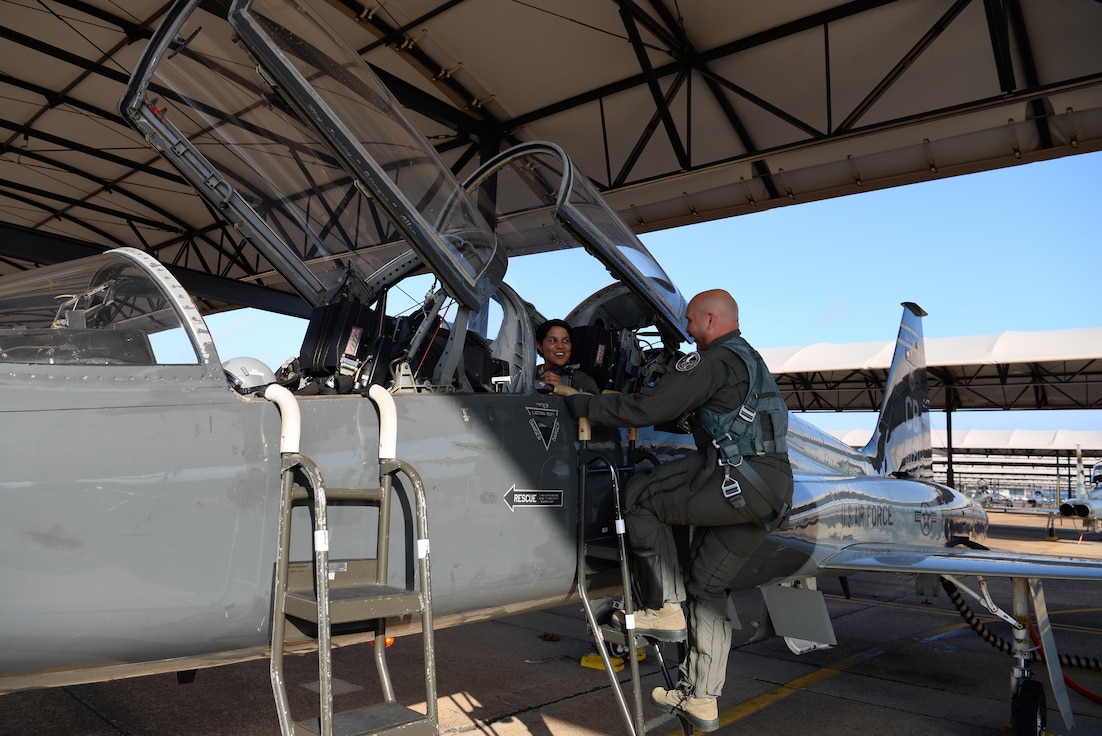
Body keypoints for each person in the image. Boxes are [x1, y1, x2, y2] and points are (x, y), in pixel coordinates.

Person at [564, 289, 793, 732]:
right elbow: (690, 415)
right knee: (707, 589)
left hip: (736, 480)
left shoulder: (713, 361)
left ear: (710, 319)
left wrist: (587, 403)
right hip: (771, 490)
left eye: (690, 321)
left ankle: (663, 605)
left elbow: (652, 407)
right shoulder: (750, 362)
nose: (686, 331)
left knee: (640, 496)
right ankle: (702, 697)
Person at [535, 319, 600, 395]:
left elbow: (591, 405)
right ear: (540, 346)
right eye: (553, 340)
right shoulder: (528, 375)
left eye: (566, 341)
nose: (560, 346)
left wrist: (562, 389)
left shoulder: (581, 379)